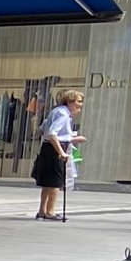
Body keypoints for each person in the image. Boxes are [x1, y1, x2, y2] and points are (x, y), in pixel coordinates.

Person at [34, 88, 83, 220]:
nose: (80, 104)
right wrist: (61, 152)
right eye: (78, 101)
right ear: (70, 102)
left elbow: (43, 129)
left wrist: (70, 138)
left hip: (47, 148)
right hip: (55, 149)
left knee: (47, 182)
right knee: (56, 182)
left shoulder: (56, 111)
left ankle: (42, 211)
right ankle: (50, 211)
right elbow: (52, 133)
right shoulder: (64, 115)